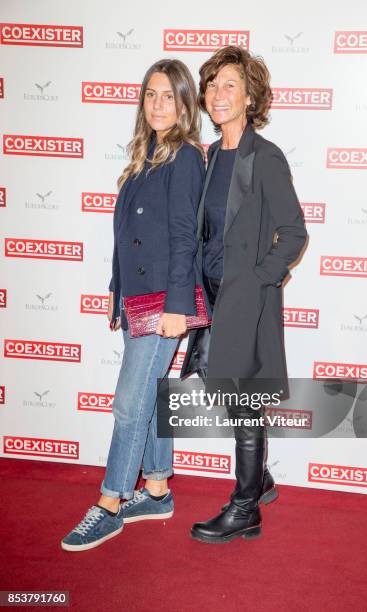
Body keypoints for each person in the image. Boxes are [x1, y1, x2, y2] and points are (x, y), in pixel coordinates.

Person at [61, 59, 205, 551]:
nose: (158, 104)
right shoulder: (145, 158)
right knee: (150, 394)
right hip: (136, 298)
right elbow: (129, 237)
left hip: (165, 301)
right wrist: (114, 290)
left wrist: (177, 307)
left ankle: (111, 502)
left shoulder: (185, 157)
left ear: (185, 104)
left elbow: (186, 238)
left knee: (129, 404)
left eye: (169, 95)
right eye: (150, 95)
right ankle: (158, 489)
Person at [181, 46, 307, 543]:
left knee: (245, 402)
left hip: (247, 299)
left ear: (251, 96)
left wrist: (259, 279)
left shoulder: (265, 158)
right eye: (212, 85)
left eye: (229, 84)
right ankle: (262, 482)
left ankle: (244, 507)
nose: (217, 94)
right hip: (211, 299)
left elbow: (293, 233)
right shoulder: (209, 157)